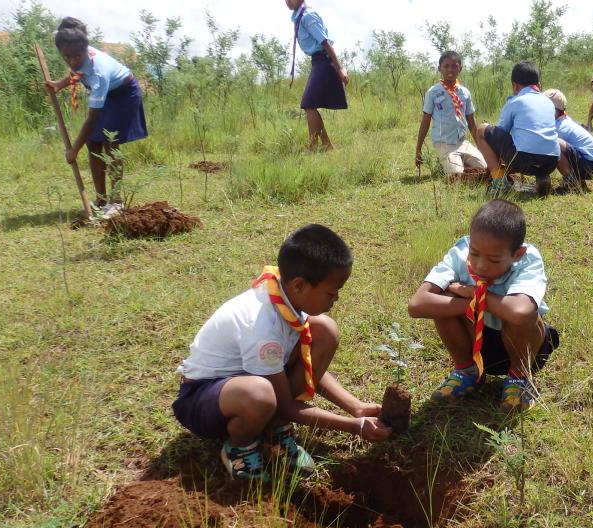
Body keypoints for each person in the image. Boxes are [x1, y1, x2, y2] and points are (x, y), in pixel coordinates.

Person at [173, 224, 392, 481]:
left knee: (324, 330)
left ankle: (273, 429)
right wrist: (355, 427)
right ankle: (240, 446)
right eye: (332, 293)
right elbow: (286, 405)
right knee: (261, 395)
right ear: (299, 285)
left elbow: (306, 367)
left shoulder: (285, 299)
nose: (336, 300)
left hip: (247, 383)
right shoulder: (262, 325)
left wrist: (355, 407)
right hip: (202, 399)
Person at [407, 200, 559, 413]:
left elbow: (518, 312)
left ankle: (518, 379)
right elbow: (417, 305)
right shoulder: (459, 253)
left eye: (494, 260)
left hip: (524, 349)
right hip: (475, 342)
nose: (480, 265)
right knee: (445, 296)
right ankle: (467, 372)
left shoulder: (528, 260)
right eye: (475, 253)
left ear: (517, 254)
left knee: (526, 312)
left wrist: (474, 294)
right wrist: (469, 303)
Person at [44, 18, 147, 218]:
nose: (72, 60)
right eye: (67, 57)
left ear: (84, 49)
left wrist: (74, 149)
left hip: (124, 94)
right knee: (93, 143)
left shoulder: (99, 73)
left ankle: (116, 202)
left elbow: (91, 120)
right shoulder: (77, 51)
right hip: (108, 93)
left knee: (110, 142)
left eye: (76, 56)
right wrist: (58, 84)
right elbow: (78, 71)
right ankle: (101, 200)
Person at [475, 61, 560, 197]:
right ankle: (542, 177)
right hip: (552, 162)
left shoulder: (515, 102)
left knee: (481, 130)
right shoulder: (549, 103)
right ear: (538, 84)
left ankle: (499, 182)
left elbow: (501, 131)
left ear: (515, 86)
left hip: (524, 160)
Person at [287, 0, 349, 152]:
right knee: (310, 104)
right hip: (317, 61)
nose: (287, 1)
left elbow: (325, 43)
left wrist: (340, 68)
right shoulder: (298, 15)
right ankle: (327, 144)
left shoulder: (308, 16)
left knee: (308, 104)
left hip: (324, 60)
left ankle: (313, 146)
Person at [415, 51, 485, 182]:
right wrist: (418, 149)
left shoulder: (465, 93)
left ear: (460, 68)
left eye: (454, 66)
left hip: (463, 142)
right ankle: (448, 164)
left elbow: (471, 122)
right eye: (446, 66)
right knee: (456, 176)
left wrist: (480, 146)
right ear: (439, 68)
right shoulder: (433, 93)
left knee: (485, 169)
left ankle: (456, 163)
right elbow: (425, 121)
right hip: (444, 144)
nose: (450, 70)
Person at [543, 89, 593, 193]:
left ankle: (571, 183)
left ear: (553, 111)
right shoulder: (564, 120)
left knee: (553, 142)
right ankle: (578, 181)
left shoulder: (558, 127)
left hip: (590, 164)